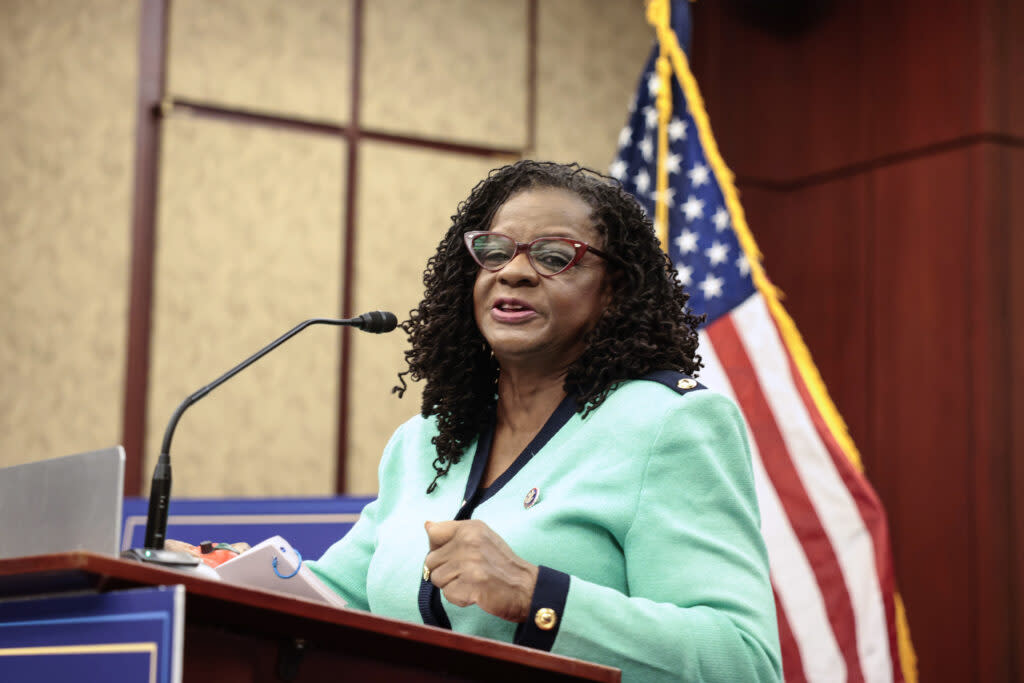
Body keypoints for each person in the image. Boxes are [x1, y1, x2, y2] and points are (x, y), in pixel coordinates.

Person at [307, 160, 782, 682]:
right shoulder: (423, 441)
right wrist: (218, 573)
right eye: (495, 252)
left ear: (613, 290)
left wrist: (538, 597)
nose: (512, 271)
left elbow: (742, 660)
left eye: (555, 257)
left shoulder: (669, 424)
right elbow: (329, 602)